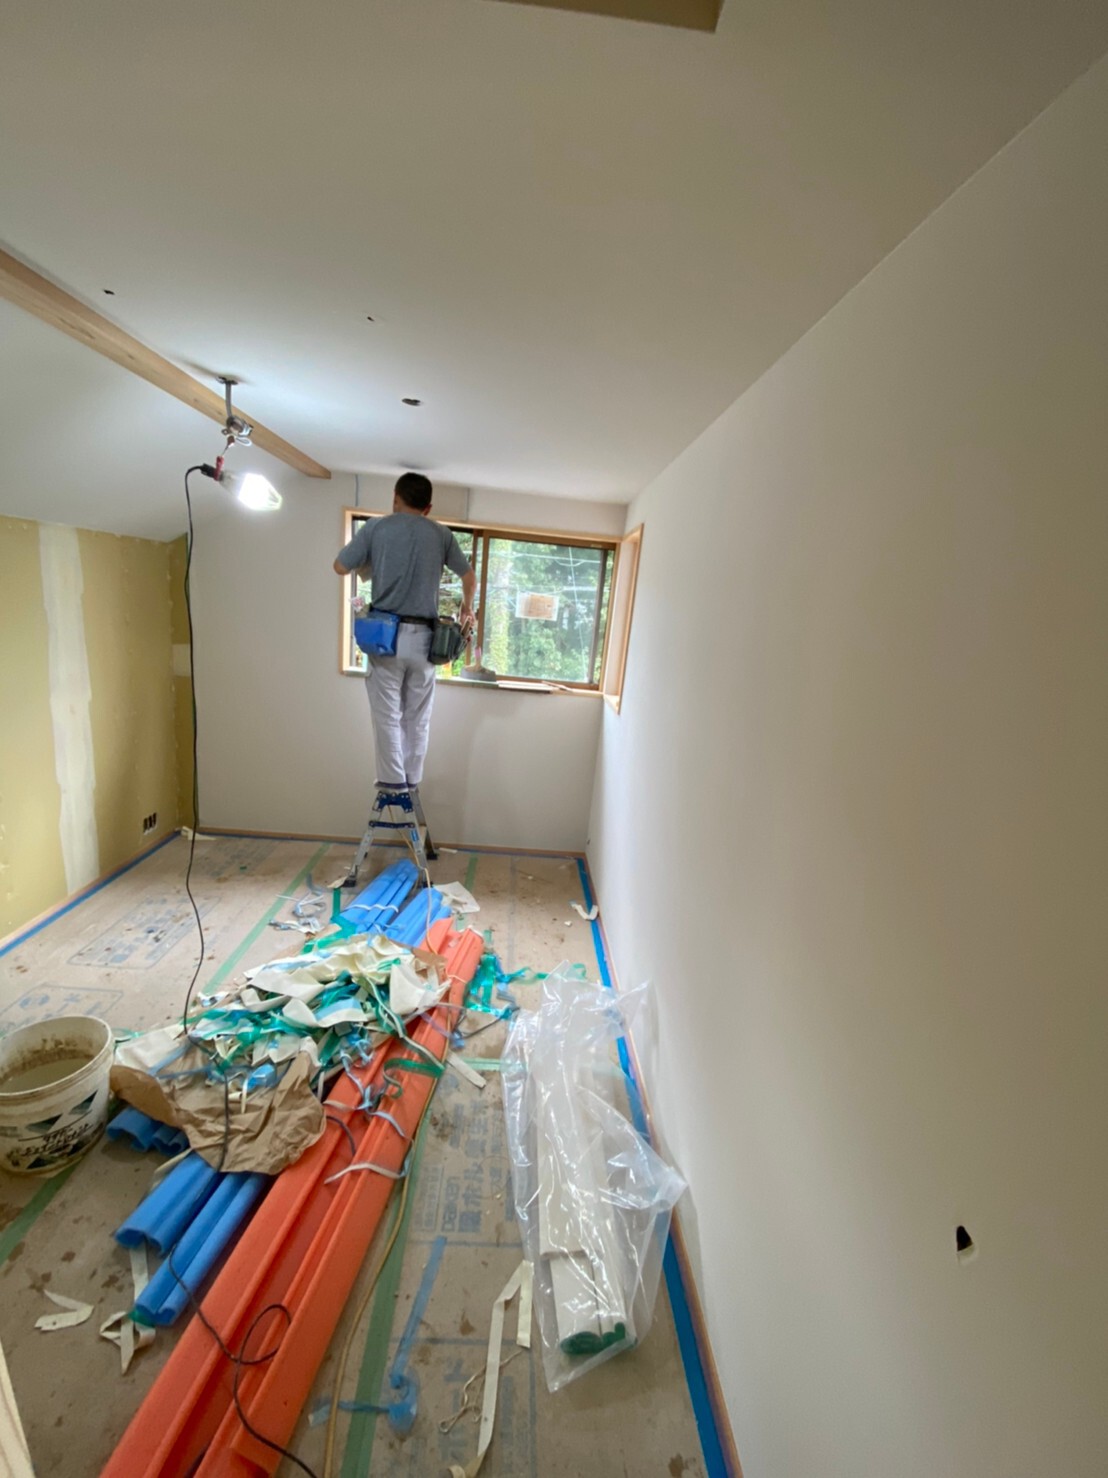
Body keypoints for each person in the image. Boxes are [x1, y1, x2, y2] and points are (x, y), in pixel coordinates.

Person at [333, 472, 476, 794]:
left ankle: (392, 781)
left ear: (395, 498)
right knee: (417, 715)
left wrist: (373, 559)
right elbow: (469, 578)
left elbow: (340, 567)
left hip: (385, 637)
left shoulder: (376, 528)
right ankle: (411, 779)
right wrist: (467, 609)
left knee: (387, 713)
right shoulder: (441, 534)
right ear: (428, 507)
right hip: (426, 640)